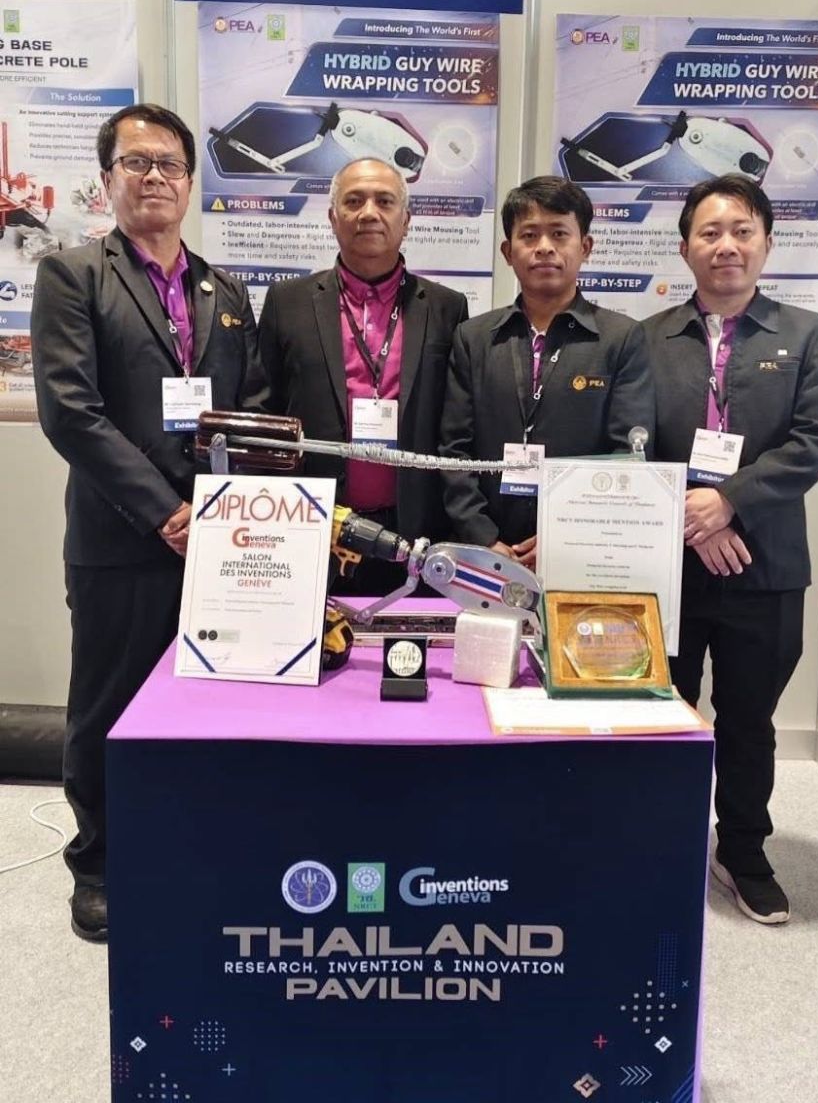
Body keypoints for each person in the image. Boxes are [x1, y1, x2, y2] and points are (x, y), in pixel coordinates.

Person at [31, 104, 267, 941]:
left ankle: (189, 849)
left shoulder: (224, 290)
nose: (155, 177)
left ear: (191, 182)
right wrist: (166, 511)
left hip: (219, 543)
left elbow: (252, 408)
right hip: (121, 539)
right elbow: (71, 413)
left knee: (209, 705)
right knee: (107, 708)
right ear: (108, 180)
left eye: (169, 163)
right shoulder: (73, 276)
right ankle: (97, 865)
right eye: (137, 162)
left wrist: (232, 511)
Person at [643, 173, 818, 924]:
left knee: (748, 720)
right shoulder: (646, 338)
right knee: (659, 712)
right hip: (667, 564)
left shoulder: (809, 335)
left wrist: (728, 502)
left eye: (741, 231)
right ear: (685, 248)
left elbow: (816, 439)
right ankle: (658, 840)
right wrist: (692, 520)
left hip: (764, 566)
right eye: (709, 232)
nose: (725, 245)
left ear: (766, 242)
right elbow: (629, 444)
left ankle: (743, 850)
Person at [258, 157, 468, 595]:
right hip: (317, 528)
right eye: (353, 201)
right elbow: (267, 412)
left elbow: (456, 424)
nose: (369, 213)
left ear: (406, 220)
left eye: (384, 201)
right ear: (333, 218)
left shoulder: (447, 307)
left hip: (417, 534)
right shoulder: (287, 302)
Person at [439, 175, 654, 566]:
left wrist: (566, 533)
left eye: (559, 234)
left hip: (583, 551)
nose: (544, 247)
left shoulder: (621, 338)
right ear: (508, 252)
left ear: (585, 247)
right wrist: (482, 536)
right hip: (484, 551)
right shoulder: (474, 338)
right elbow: (455, 450)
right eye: (529, 235)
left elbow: (628, 453)